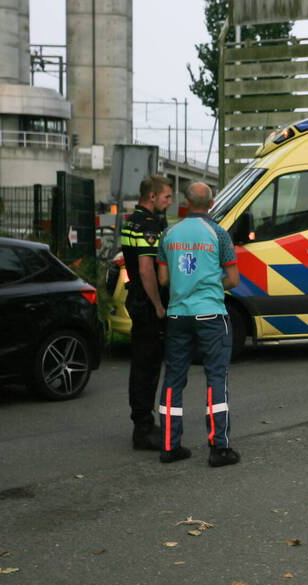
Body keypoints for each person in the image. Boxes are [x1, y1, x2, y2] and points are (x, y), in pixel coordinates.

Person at [155, 182, 241, 466]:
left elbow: (164, 279)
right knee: (216, 377)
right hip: (210, 315)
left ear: (186, 203)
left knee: (173, 380)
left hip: (178, 315)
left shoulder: (169, 234)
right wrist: (210, 282)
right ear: (211, 204)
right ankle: (219, 448)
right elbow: (233, 278)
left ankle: (169, 445)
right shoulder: (218, 233)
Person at [120, 175, 173, 450]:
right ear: (152, 196)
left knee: (142, 363)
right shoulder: (149, 225)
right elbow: (145, 269)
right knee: (148, 365)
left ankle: (142, 422)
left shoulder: (131, 221)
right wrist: (158, 305)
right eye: (166, 197)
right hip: (146, 302)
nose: (169, 201)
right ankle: (143, 428)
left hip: (136, 299)